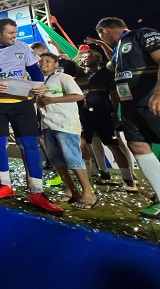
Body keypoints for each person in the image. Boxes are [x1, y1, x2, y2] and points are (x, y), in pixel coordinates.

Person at [0, 18, 63, 214]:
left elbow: (34, 71)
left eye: (16, 32)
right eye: (11, 33)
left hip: (21, 103)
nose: (15, 36)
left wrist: (40, 85)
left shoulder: (22, 47)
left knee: (30, 145)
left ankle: (37, 192)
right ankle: (5, 185)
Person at [96, 17, 160, 217]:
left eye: (102, 35)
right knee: (137, 144)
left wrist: (158, 93)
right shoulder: (118, 49)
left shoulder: (142, 34)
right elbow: (110, 67)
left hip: (152, 100)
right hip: (130, 105)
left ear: (104, 30)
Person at [37, 53, 98, 209]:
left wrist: (52, 100)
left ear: (56, 64)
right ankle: (72, 191)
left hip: (65, 124)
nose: (43, 63)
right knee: (56, 159)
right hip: (47, 124)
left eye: (48, 61)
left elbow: (78, 96)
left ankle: (88, 194)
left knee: (72, 158)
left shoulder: (63, 77)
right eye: (41, 61)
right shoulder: (38, 81)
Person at [76, 50, 137, 190]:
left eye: (91, 56)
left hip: (102, 114)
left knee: (113, 145)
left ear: (98, 59)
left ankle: (128, 179)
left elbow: (114, 95)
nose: (86, 58)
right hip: (83, 115)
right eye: (84, 56)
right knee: (84, 145)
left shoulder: (104, 74)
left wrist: (114, 113)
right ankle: (89, 178)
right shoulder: (78, 76)